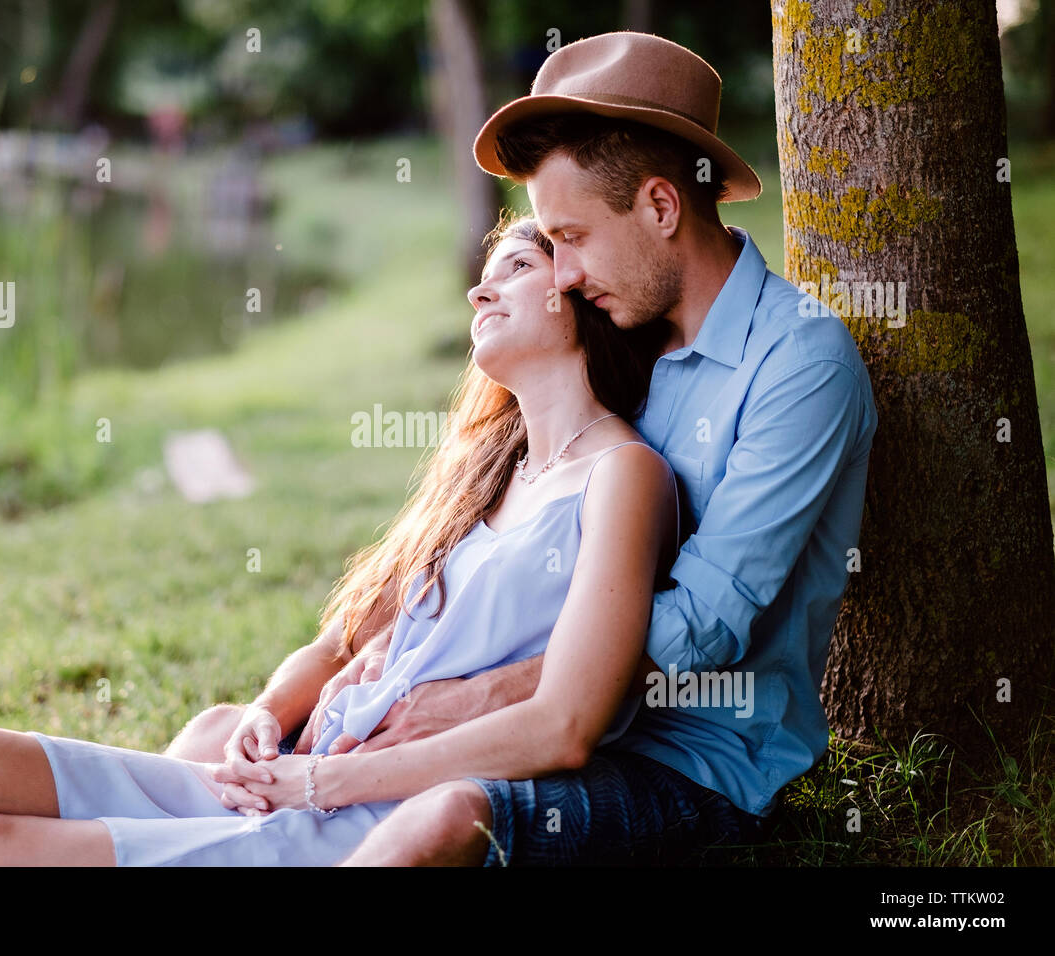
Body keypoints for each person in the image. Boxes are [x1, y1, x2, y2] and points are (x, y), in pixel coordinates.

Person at [0, 212, 682, 866]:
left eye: (515, 267)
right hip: (298, 771)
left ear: (575, 289)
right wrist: (266, 716)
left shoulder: (623, 476)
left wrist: (321, 785)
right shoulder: (486, 478)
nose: (481, 287)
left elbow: (562, 727)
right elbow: (340, 646)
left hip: (361, 808)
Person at [314, 31, 879, 866]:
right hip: (536, 720)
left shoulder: (798, 364)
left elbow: (704, 626)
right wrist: (396, 660)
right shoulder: (624, 335)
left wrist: (479, 694)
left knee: (445, 816)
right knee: (260, 752)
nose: (564, 274)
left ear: (661, 207)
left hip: (689, 760)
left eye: (573, 236)